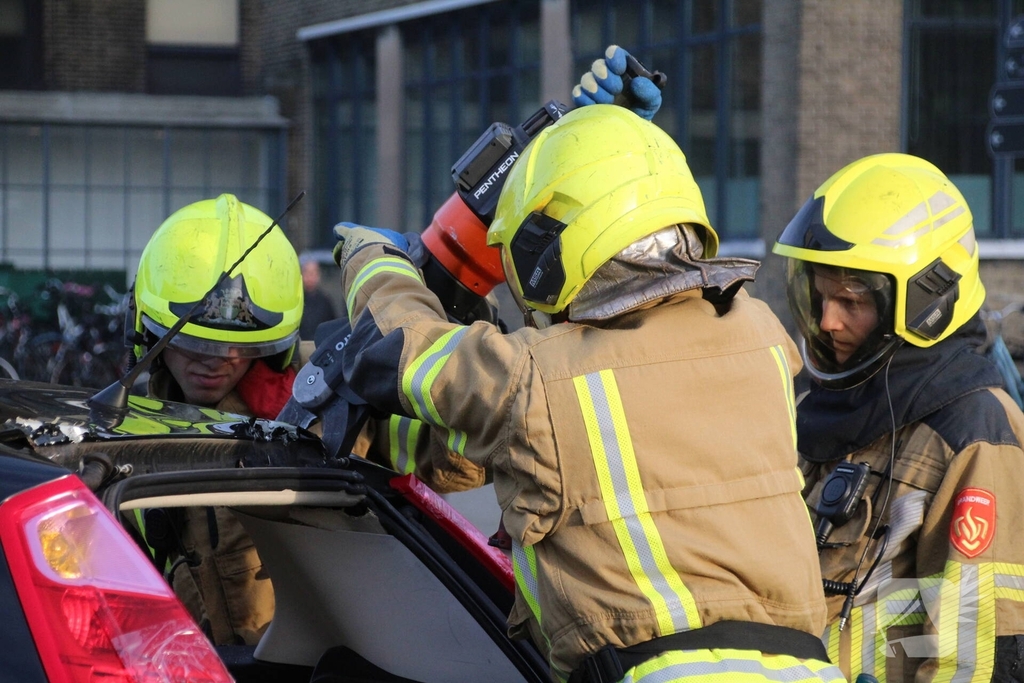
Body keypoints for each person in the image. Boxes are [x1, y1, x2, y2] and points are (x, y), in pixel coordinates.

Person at [329, 103, 845, 683]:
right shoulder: (763, 339)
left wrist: (375, 261)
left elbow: (398, 351)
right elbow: (520, 454)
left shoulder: (537, 378)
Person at [772, 153, 1024, 682]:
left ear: (927, 299)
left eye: (849, 300)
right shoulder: (812, 407)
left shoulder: (973, 434)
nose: (827, 321)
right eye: (818, 296)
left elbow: (978, 660)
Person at [130, 193, 305, 646]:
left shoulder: (311, 408)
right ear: (149, 333)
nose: (219, 360)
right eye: (197, 344)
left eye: (242, 348)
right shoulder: (127, 440)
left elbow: (452, 466)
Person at [299, 253, 338, 340]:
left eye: (313, 273)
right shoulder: (296, 301)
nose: (310, 277)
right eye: (307, 273)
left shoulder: (325, 301)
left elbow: (333, 327)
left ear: (318, 275)